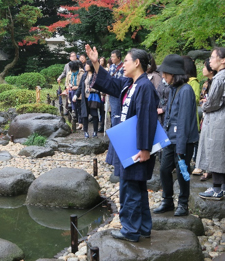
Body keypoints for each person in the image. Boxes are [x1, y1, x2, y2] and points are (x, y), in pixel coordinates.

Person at [85, 44, 159, 242]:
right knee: (137, 188)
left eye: (125, 61)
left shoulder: (144, 86)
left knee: (130, 189)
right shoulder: (130, 83)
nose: (122, 64)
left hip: (136, 146)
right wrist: (95, 63)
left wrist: (145, 149)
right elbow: (110, 83)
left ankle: (130, 230)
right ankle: (142, 227)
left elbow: (147, 119)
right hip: (129, 142)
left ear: (136, 63)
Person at [152, 54, 199, 216]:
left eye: (166, 73)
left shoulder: (186, 90)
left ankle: (183, 204)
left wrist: (180, 149)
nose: (163, 76)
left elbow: (184, 121)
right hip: (171, 139)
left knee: (182, 172)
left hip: (184, 141)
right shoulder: (173, 89)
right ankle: (167, 200)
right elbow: (170, 116)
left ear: (175, 73)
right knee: (164, 170)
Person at [197, 47, 225, 200]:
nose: (210, 60)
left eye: (212, 57)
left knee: (215, 152)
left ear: (223, 60)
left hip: (218, 122)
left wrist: (204, 105)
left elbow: (213, 103)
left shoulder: (220, 77)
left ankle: (216, 189)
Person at [193, 59, 217, 180]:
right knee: (204, 142)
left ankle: (210, 169)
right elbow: (201, 99)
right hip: (205, 116)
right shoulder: (206, 83)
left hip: (213, 117)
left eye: (204, 67)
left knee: (211, 143)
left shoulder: (216, 82)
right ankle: (204, 167)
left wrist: (205, 102)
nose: (202, 69)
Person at [73, 60, 101, 138]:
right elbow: (80, 87)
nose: (85, 66)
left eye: (87, 65)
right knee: (84, 115)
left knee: (95, 115)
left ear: (91, 66)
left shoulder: (96, 75)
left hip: (93, 98)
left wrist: (93, 90)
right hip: (84, 98)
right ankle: (86, 132)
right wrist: (76, 95)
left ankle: (95, 131)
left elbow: (100, 87)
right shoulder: (84, 75)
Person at [65, 60, 85, 129]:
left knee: (80, 109)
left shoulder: (81, 73)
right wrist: (70, 86)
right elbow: (69, 82)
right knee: (75, 108)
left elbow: (83, 84)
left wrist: (75, 87)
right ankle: (79, 123)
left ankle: (82, 123)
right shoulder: (72, 74)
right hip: (72, 92)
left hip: (80, 93)